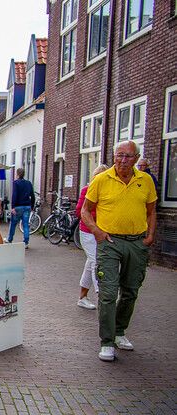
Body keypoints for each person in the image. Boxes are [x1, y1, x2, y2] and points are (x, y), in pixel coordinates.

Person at [81, 140, 157, 362]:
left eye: (129, 156)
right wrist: (96, 232)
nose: (123, 160)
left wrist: (150, 236)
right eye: (119, 155)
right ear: (114, 156)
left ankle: (120, 331)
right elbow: (85, 210)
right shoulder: (102, 180)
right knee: (107, 292)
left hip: (136, 242)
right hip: (110, 242)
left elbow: (151, 211)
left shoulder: (146, 181)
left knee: (131, 290)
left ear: (137, 158)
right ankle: (106, 341)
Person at [75, 164, 109, 310]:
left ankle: (82, 297)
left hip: (103, 233)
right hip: (88, 232)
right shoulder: (87, 190)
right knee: (97, 262)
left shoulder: (108, 193)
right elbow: (79, 212)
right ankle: (102, 296)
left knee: (90, 264)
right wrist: (94, 219)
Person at [6, 168, 36, 248]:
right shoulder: (29, 183)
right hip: (27, 207)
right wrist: (32, 206)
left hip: (18, 207)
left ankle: (10, 239)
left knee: (13, 224)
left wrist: (13, 207)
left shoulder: (16, 183)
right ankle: (26, 242)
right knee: (25, 224)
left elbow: (14, 195)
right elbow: (32, 195)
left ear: (17, 174)